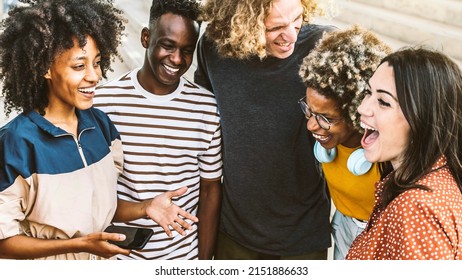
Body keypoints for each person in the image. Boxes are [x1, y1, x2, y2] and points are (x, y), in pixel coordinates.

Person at [194, 0, 335, 259]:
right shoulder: (213, 48)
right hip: (235, 233)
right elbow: (202, 122)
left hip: (302, 235)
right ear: (242, 21)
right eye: (275, 27)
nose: (290, 35)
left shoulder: (325, 47)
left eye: (297, 19)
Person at [93, 0, 222, 260]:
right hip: (119, 259)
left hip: (183, 259)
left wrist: (204, 264)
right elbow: (93, 193)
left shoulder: (206, 107)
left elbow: (210, 190)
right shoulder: (102, 103)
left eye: (186, 50)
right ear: (145, 37)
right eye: (167, 45)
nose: (176, 59)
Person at [0, 0, 129, 260]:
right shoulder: (16, 142)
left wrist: (148, 207)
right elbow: (4, 242)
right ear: (45, 68)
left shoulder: (101, 126)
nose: (94, 76)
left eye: (97, 62)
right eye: (79, 66)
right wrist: (79, 245)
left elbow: (100, 209)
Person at [346, 47, 462, 259]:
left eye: (383, 101)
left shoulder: (416, 209)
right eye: (368, 93)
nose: (363, 108)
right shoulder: (428, 180)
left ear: (422, 120)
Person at [298, 25, 392, 259]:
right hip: (343, 225)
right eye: (309, 110)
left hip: (382, 233)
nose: (311, 125)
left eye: (326, 118)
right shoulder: (328, 141)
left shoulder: (390, 153)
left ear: (356, 112)